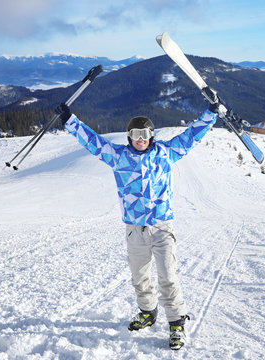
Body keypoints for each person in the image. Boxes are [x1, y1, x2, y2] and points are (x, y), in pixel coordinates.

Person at [57, 100, 220, 350]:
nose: (140, 139)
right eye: (135, 134)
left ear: (152, 136)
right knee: (140, 277)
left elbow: (190, 136)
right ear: (129, 136)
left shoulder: (166, 153)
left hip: (162, 228)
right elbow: (92, 141)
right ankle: (148, 312)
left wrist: (211, 113)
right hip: (134, 230)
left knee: (167, 276)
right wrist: (69, 120)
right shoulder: (118, 157)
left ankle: (176, 323)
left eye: (144, 134)